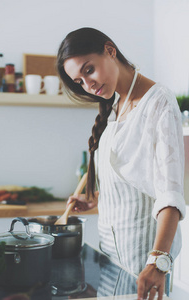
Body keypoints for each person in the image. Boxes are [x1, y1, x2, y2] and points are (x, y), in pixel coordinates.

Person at [56, 27, 186, 300]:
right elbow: (138, 179)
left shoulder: (159, 102)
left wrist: (157, 263)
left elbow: (170, 195)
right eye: (79, 81)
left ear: (110, 51)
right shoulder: (115, 106)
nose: (88, 85)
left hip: (144, 263)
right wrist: (99, 199)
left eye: (88, 70)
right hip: (111, 262)